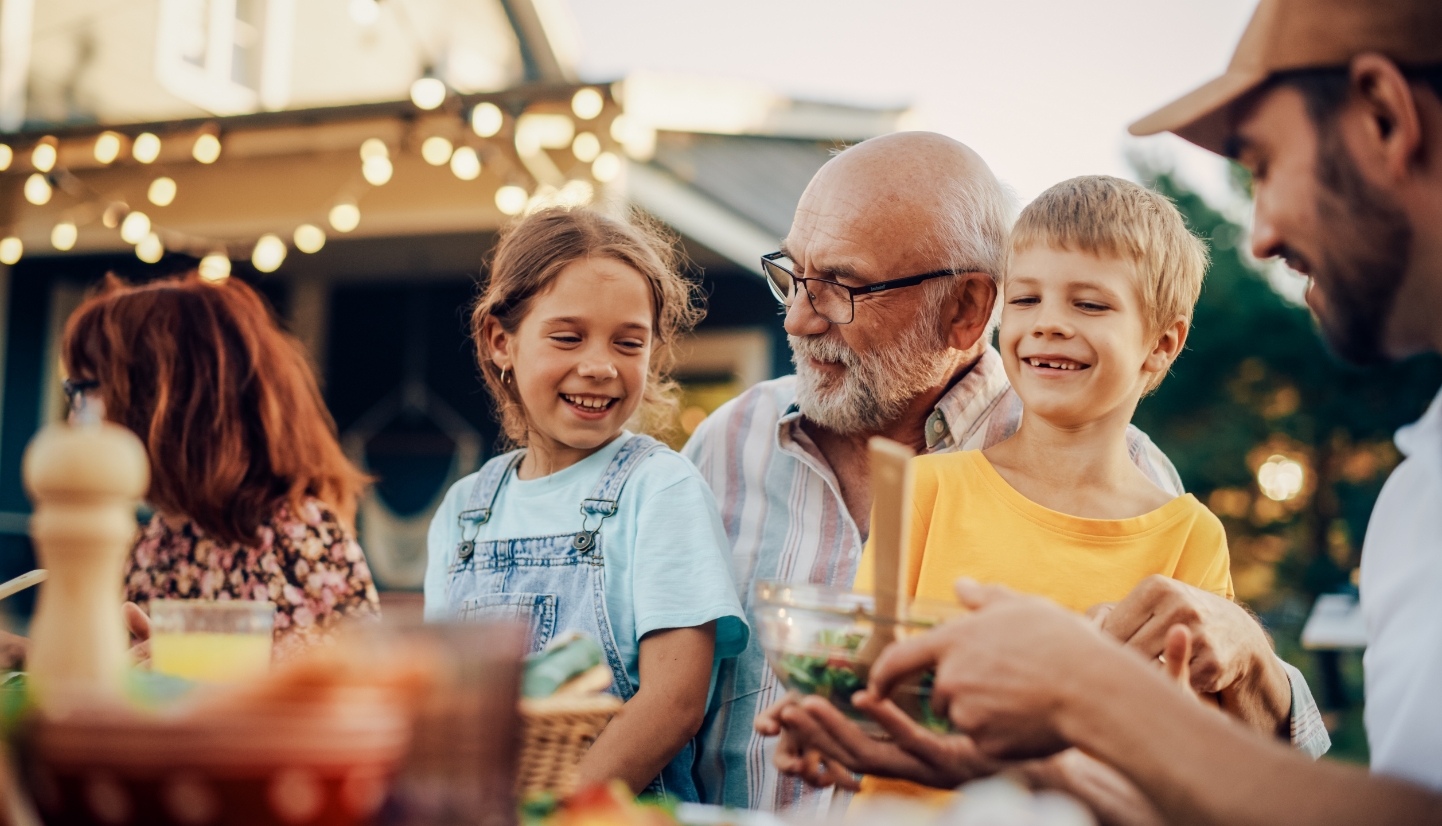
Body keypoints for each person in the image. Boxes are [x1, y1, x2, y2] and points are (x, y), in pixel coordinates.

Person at [840, 0, 1442, 823]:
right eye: (1029, 300)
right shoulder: (1421, 489)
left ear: (1161, 348)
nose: (1259, 236)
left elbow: (1210, 757)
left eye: (1261, 162)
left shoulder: (1191, 534)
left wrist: (1077, 702)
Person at [681, 131, 1322, 815]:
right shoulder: (730, 446)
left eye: (843, 286)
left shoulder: (1166, 506)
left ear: (967, 310)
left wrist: (1247, 659)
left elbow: (1206, 757)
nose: (801, 317)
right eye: (792, 276)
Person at [423, 207, 748, 801]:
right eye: (567, 337)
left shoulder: (660, 491)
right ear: (501, 340)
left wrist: (554, 810)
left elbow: (673, 704)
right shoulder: (464, 510)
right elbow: (447, 699)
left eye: (629, 342)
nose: (599, 366)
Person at [61, 273, 379, 661]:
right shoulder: (150, 544)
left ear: (166, 401)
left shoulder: (297, 536)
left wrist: (199, 663)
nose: (75, 420)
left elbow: (362, 682)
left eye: (85, 390)